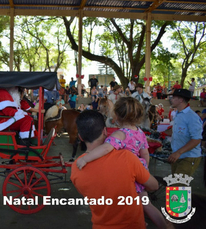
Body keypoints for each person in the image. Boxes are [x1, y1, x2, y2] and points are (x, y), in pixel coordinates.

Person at [76, 98, 170, 229]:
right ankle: (165, 225)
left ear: (117, 116)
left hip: (127, 172)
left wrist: (85, 159)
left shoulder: (119, 134)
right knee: (146, 204)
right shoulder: (140, 132)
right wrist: (144, 169)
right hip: (139, 169)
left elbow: (106, 148)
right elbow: (145, 153)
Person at [168, 89, 202, 177]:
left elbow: (196, 139)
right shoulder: (178, 114)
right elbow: (177, 131)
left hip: (188, 157)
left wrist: (178, 152)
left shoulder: (192, 117)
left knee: (178, 186)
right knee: (175, 186)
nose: (171, 99)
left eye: (173, 97)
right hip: (177, 156)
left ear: (181, 100)